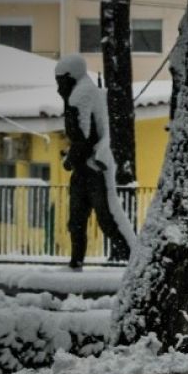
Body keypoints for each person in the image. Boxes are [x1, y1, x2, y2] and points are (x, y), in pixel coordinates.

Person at [55, 54, 133, 268]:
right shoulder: (86, 92)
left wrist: (70, 159)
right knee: (83, 221)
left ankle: (133, 258)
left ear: (70, 77)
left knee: (105, 219)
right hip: (88, 169)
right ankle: (77, 261)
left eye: (60, 82)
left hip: (92, 170)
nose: (58, 89)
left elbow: (82, 137)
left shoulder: (80, 96)